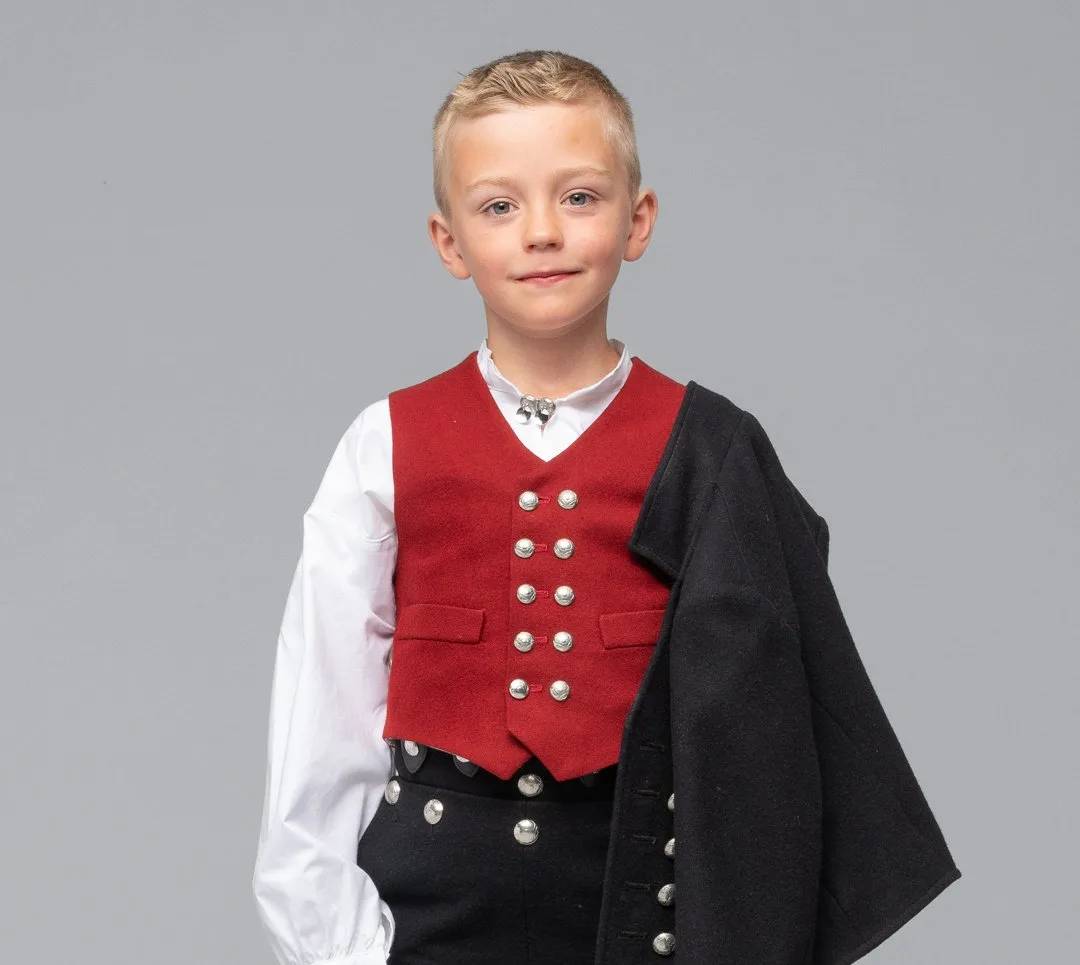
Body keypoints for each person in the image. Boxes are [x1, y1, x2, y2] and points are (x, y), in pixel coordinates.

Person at [252, 49, 960, 965]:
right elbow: (323, 718)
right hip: (426, 921)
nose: (541, 231)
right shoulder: (383, 442)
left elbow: (766, 735)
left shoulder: (710, 449)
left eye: (578, 196)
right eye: (499, 205)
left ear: (639, 219)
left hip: (643, 920)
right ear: (448, 242)